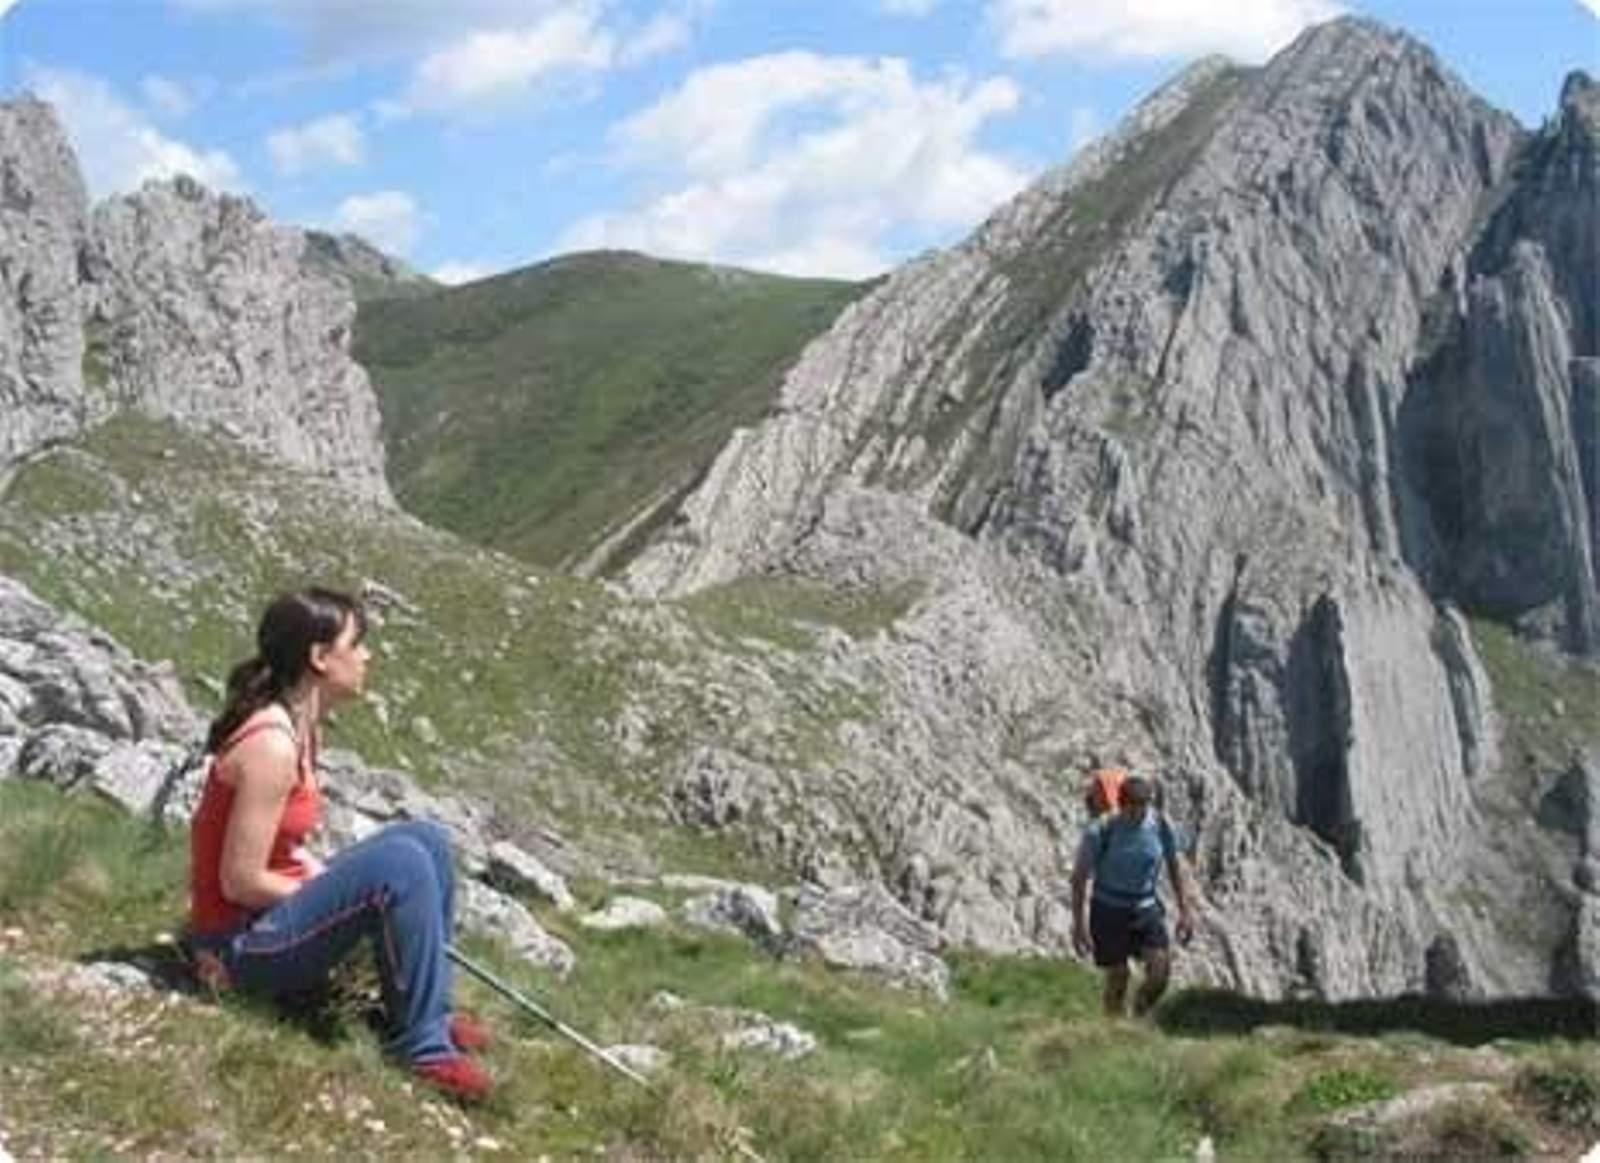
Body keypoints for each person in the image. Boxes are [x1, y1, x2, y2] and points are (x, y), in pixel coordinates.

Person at [187, 587, 494, 1100]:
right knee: (398, 865)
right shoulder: (272, 745)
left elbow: (279, 852)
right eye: (358, 642)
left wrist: (320, 881)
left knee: (426, 840)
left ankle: (429, 1009)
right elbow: (237, 881)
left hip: (263, 924)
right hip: (232, 950)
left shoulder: (302, 727)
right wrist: (322, 889)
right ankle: (423, 1049)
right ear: (319, 657)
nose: (369, 655)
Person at [1070, 774, 1197, 1017]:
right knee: (1119, 976)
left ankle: (1138, 1012)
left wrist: (1185, 911)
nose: (1138, 816)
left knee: (1160, 971)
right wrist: (1078, 925)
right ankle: (1113, 1029)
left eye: (1143, 808)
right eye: (1132, 810)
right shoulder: (1101, 830)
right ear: (1121, 805)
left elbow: (1174, 866)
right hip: (1108, 910)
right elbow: (1079, 879)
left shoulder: (1159, 825)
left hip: (1145, 908)